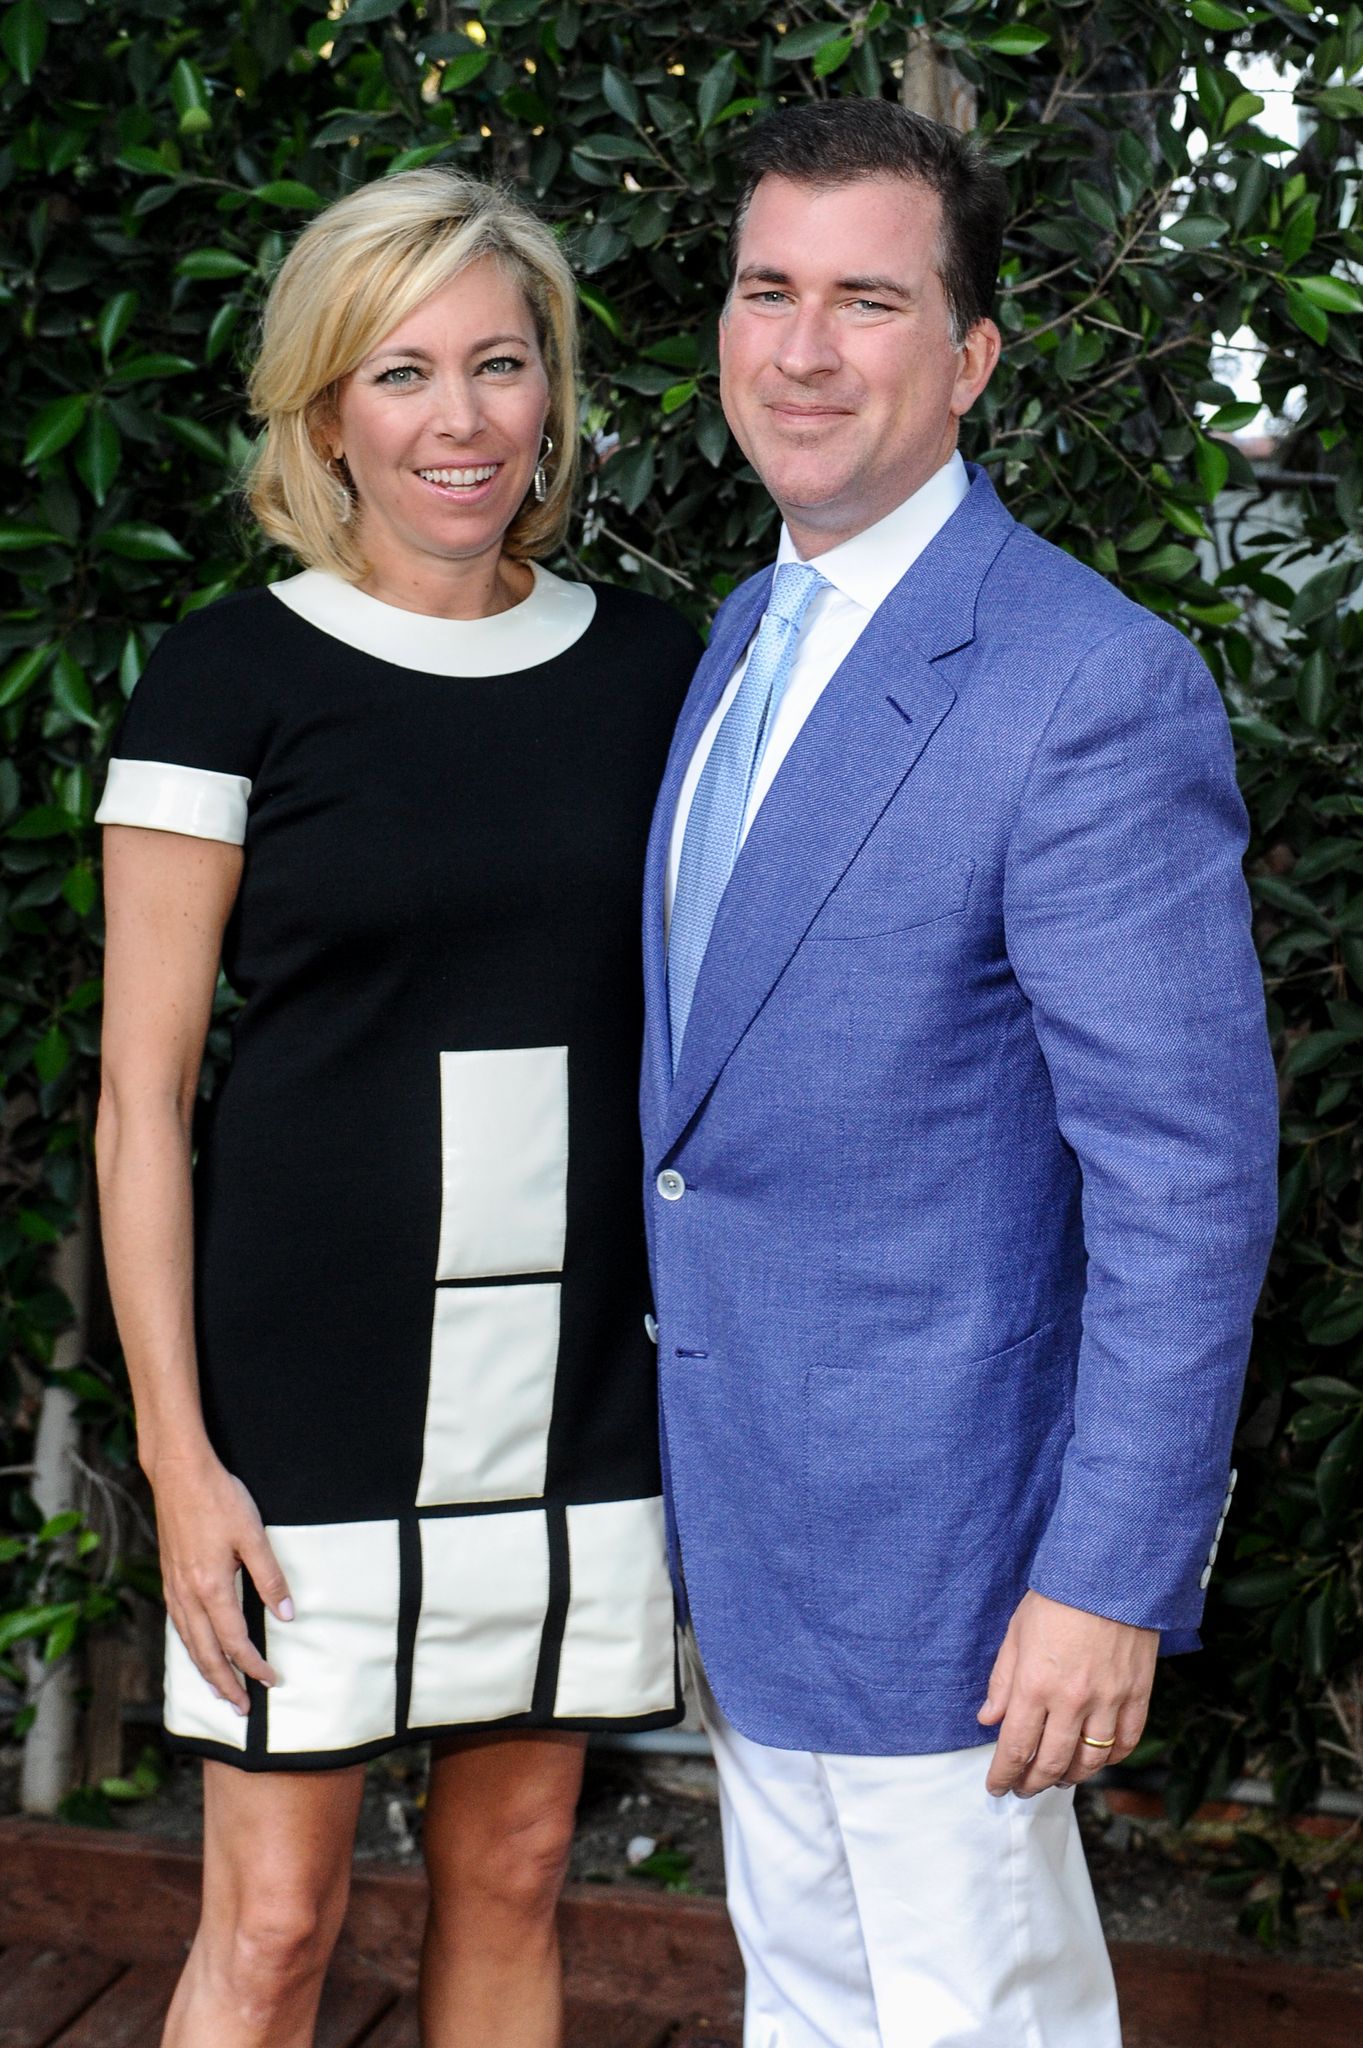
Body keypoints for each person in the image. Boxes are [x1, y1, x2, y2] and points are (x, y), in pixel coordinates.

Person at [642, 99, 1278, 2048]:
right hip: (754, 1526)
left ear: (970, 356)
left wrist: (1108, 1569)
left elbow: (1186, 1173)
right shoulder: (749, 632)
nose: (804, 348)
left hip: (962, 1569)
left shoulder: (1083, 684)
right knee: (816, 2013)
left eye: (868, 300)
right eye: (769, 291)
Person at [95, 167, 697, 2048]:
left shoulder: (663, 673)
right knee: (272, 1933)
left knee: (516, 1877)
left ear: (553, 399)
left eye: (500, 366)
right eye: (405, 371)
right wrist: (180, 1465)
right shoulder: (225, 677)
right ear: (325, 408)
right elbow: (139, 1099)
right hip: (305, 1390)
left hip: (578, 1374)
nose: (458, 421)